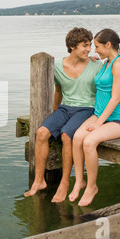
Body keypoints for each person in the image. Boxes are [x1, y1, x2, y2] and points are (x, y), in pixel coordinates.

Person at [25, 27, 101, 202]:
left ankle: (65, 182)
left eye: (90, 45)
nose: (89, 49)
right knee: (42, 133)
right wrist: (54, 113)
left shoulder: (96, 65)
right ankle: (39, 181)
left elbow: (109, 86)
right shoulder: (58, 66)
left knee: (67, 135)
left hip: (86, 109)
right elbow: (58, 90)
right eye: (85, 45)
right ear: (72, 46)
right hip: (64, 108)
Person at [69, 28, 120, 206]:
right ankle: (79, 181)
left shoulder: (118, 64)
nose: (94, 50)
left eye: (97, 46)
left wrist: (98, 123)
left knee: (89, 142)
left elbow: (114, 98)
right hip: (100, 115)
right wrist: (93, 60)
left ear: (108, 45)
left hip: (118, 119)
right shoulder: (105, 63)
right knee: (77, 137)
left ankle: (91, 187)